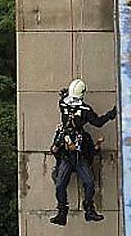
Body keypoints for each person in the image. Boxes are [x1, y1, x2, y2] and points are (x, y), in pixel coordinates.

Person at [50, 79, 117, 226]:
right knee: (65, 184)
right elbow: (97, 122)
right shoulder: (80, 109)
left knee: (85, 182)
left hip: (76, 154)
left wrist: (112, 114)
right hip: (69, 155)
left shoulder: (64, 104)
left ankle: (85, 209)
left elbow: (95, 122)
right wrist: (111, 114)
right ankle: (66, 211)